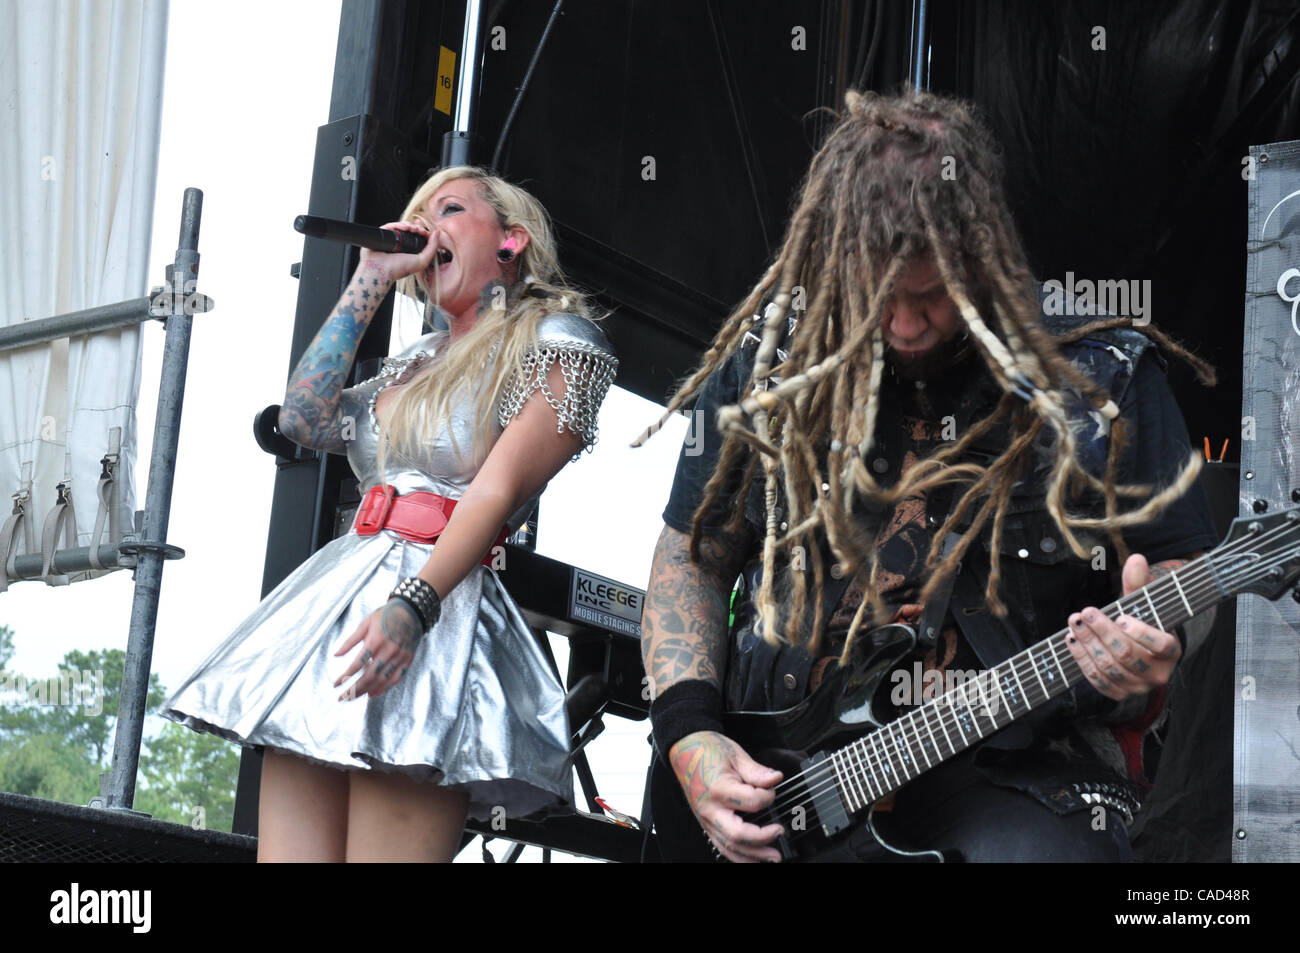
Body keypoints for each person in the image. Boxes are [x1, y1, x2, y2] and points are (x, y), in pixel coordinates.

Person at [636, 89, 1219, 863]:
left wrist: (1158, 633)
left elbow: (1186, 573)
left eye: (930, 295)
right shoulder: (774, 362)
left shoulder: (1098, 375)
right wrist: (690, 736)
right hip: (783, 767)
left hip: (1016, 770)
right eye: (879, 297)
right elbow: (691, 555)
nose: (905, 325)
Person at [163, 166, 618, 862]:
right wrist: (372, 274)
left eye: (451, 210)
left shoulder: (555, 341)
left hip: (433, 604)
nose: (427, 227)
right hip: (336, 607)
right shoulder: (414, 362)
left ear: (511, 239)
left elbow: (493, 493)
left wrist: (413, 607)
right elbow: (304, 418)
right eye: (418, 215)